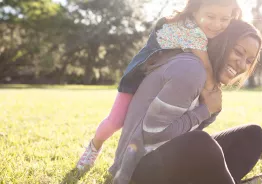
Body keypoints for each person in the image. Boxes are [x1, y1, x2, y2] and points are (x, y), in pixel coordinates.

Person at [77, 0, 242, 170]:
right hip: (139, 77)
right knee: (116, 120)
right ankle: (94, 147)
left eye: (224, 19)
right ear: (194, 12)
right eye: (210, 16)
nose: (217, 24)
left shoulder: (207, 31)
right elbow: (206, 67)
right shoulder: (192, 31)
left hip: (164, 80)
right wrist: (213, 93)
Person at [109, 20, 262, 184]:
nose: (242, 64)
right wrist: (205, 111)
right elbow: (153, 133)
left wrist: (210, 111)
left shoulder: (209, 82)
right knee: (200, 142)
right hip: (138, 166)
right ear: (222, 43)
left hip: (166, 156)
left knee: (252, 135)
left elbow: (185, 134)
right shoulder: (190, 70)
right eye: (238, 52)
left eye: (249, 61)